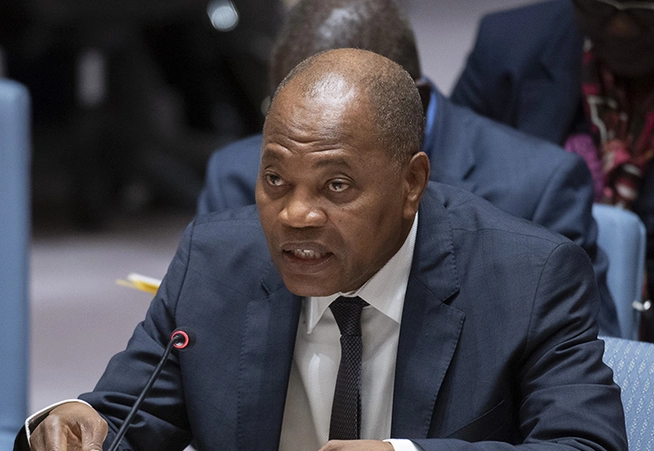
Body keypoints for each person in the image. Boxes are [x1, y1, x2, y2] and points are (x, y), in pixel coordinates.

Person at [12, 48, 631, 451]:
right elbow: (124, 425)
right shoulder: (217, 262)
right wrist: (72, 430)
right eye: (275, 178)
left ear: (412, 182)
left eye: (335, 186)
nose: (295, 216)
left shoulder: (526, 275)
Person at [197, 0, 620, 338]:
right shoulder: (234, 173)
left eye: (338, 181)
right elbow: (203, 353)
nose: (297, 211)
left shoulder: (536, 186)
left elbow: (581, 366)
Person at [451, 0, 654, 348]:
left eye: (650, 11)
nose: (620, 28)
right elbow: (447, 202)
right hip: (529, 328)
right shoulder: (508, 46)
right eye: (599, 6)